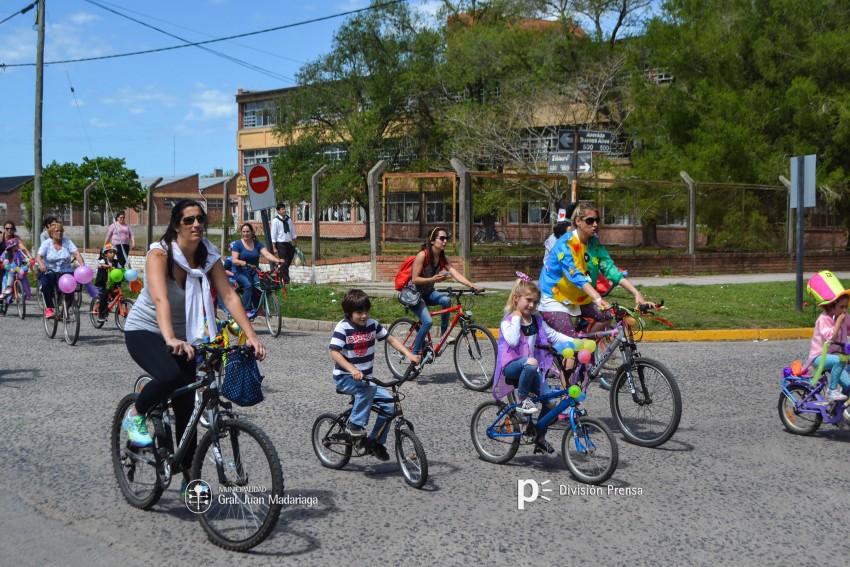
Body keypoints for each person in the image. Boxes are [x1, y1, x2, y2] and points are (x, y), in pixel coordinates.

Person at [122, 199, 266, 499]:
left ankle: (189, 478)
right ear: (176, 225)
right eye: (188, 220)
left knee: (188, 408)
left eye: (200, 218)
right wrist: (170, 338)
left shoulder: (207, 256)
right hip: (146, 330)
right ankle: (136, 413)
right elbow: (161, 300)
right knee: (170, 374)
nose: (196, 224)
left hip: (185, 334)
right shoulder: (159, 255)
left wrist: (251, 336)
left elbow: (228, 296)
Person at [329, 289, 419, 460]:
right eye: (359, 312)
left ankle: (375, 442)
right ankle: (354, 426)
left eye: (366, 311)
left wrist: (409, 355)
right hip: (345, 377)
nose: (364, 316)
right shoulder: (343, 327)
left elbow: (390, 339)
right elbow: (335, 352)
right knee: (366, 391)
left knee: (391, 406)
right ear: (349, 313)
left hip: (366, 380)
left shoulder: (372, 324)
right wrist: (352, 370)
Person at [493, 274, 572, 457]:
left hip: (530, 368)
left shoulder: (537, 320)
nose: (532, 305)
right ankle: (521, 402)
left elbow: (552, 335)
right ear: (516, 298)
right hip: (512, 368)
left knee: (550, 402)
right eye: (528, 300)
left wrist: (575, 342)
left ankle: (540, 438)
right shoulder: (508, 322)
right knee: (532, 362)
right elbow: (512, 341)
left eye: (536, 302)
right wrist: (516, 316)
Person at [408, 226, 484, 358]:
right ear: (432, 241)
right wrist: (432, 278)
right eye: (442, 238)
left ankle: (444, 333)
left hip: (428, 292)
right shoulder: (423, 255)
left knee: (446, 300)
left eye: (446, 239)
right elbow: (414, 279)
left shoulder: (442, 258)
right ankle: (413, 355)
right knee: (427, 322)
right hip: (414, 295)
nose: (445, 241)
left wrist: (472, 285)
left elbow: (456, 274)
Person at [537, 201, 611, 337]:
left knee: (607, 315)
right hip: (554, 297)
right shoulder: (566, 243)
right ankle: (576, 352)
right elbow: (575, 275)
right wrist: (597, 298)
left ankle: (587, 352)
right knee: (572, 341)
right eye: (590, 221)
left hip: (576, 297)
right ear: (578, 221)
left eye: (597, 220)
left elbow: (610, 267)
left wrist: (636, 293)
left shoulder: (592, 241)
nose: (595, 224)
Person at [804, 271, 850, 402]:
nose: (845, 310)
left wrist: (843, 320)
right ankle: (831, 390)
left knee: (848, 386)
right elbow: (832, 338)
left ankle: (837, 414)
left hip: (837, 356)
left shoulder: (844, 317)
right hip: (819, 357)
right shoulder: (823, 319)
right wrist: (839, 323)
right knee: (840, 360)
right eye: (842, 307)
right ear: (831, 306)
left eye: (846, 307)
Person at [36, 221, 86, 319]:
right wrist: (41, 264)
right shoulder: (46, 244)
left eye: (61, 231)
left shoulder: (67, 242)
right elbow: (38, 257)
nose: (59, 233)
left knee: (72, 288)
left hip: (65, 270)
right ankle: (49, 308)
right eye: (56, 231)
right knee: (46, 283)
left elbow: (76, 253)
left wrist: (82, 265)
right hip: (49, 270)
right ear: (51, 233)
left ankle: (65, 310)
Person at [230, 223, 281, 315]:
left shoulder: (257, 244)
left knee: (261, 285)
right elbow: (234, 260)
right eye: (243, 232)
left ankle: (258, 306)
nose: (245, 234)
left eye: (247, 232)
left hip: (254, 270)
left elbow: (267, 254)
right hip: (240, 271)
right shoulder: (237, 244)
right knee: (249, 285)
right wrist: (241, 262)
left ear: (252, 232)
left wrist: (277, 260)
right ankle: (247, 310)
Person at [270, 203, 297, 284]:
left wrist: (296, 242)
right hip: (281, 244)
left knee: (288, 260)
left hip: (288, 243)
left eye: (284, 208)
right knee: (284, 262)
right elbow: (273, 235)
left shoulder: (288, 219)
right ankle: (286, 281)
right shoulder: (276, 220)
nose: (284, 210)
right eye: (282, 209)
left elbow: (292, 232)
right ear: (278, 211)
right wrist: (274, 247)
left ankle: (279, 270)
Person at [94, 244, 120, 322]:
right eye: (110, 252)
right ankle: (101, 316)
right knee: (103, 297)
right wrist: (104, 266)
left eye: (114, 253)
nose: (113, 254)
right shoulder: (103, 261)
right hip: (102, 283)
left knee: (116, 293)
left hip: (111, 283)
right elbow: (99, 264)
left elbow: (121, 268)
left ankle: (119, 308)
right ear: (105, 254)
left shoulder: (116, 262)